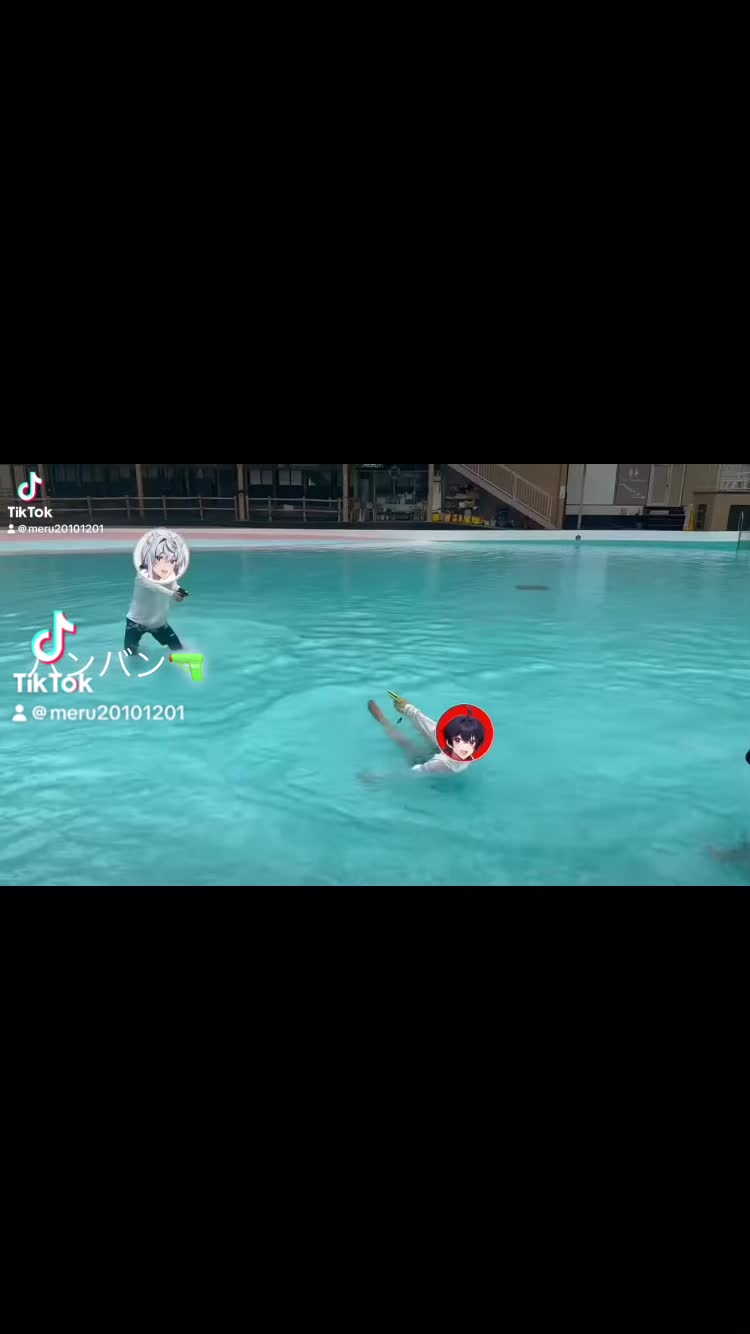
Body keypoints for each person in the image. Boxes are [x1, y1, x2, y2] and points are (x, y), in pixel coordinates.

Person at [366, 696, 485, 776]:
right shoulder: (451, 738)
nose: (465, 746)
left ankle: (383, 721)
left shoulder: (441, 763)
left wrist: (378, 778)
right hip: (442, 755)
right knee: (424, 734)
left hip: (431, 765)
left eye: (470, 742)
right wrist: (407, 708)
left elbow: (410, 774)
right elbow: (430, 727)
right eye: (459, 739)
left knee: (407, 745)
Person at [125, 529, 190, 656]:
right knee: (130, 655)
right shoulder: (142, 574)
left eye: (172, 560)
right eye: (161, 557)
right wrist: (171, 594)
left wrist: (179, 591)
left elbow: (173, 585)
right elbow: (152, 585)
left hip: (158, 623)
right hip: (136, 622)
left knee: (179, 650)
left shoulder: (170, 573)